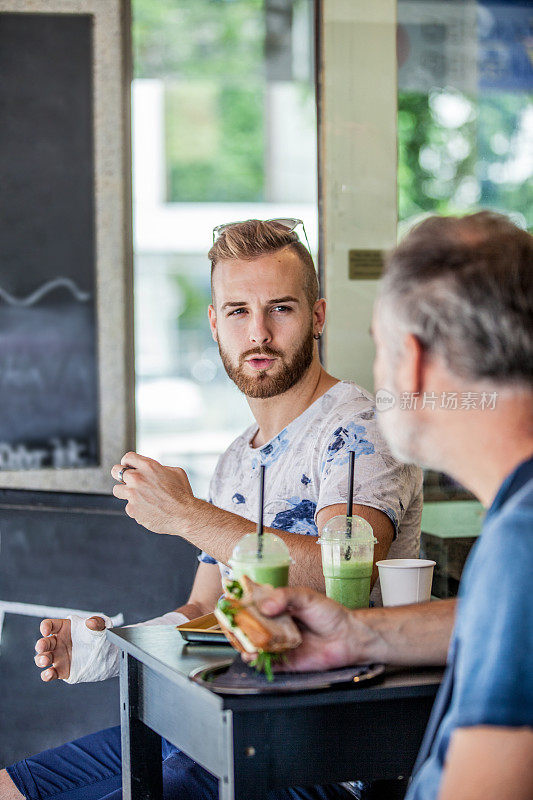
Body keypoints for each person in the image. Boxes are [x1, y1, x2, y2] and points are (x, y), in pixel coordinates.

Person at [0, 220, 423, 800]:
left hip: (312, 753)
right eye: (237, 312)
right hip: (213, 719)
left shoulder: (357, 431)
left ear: (318, 317)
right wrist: (119, 645)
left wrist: (183, 514)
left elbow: (340, 573)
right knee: (13, 788)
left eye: (281, 309)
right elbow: (205, 607)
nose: (260, 333)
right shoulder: (232, 461)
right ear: (214, 324)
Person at [241, 211, 533, 800]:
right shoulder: (517, 525)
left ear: (414, 360)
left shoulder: (521, 544)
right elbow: (495, 619)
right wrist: (358, 634)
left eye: (378, 349)